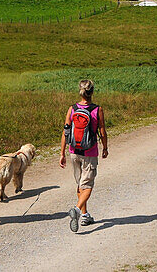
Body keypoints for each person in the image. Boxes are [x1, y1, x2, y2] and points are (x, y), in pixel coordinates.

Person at [59, 78, 108, 233]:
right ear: (92, 91)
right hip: (89, 152)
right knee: (87, 186)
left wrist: (62, 153)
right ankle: (77, 210)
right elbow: (102, 131)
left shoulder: (72, 109)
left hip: (74, 151)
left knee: (80, 184)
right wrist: (105, 147)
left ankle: (85, 215)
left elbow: (66, 132)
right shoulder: (97, 109)